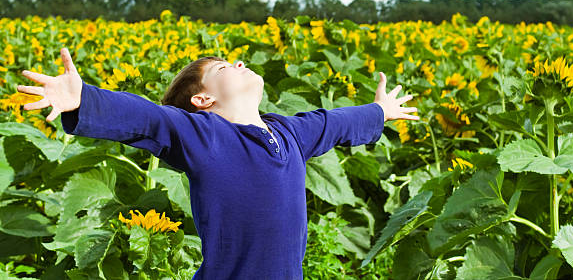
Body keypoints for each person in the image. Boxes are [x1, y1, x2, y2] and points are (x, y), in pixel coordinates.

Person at [18, 47, 419, 280]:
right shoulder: (203, 135)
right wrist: (83, 98)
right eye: (225, 68)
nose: (240, 63)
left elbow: (335, 123)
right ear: (203, 100)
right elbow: (147, 118)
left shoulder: (290, 134)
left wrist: (379, 111)